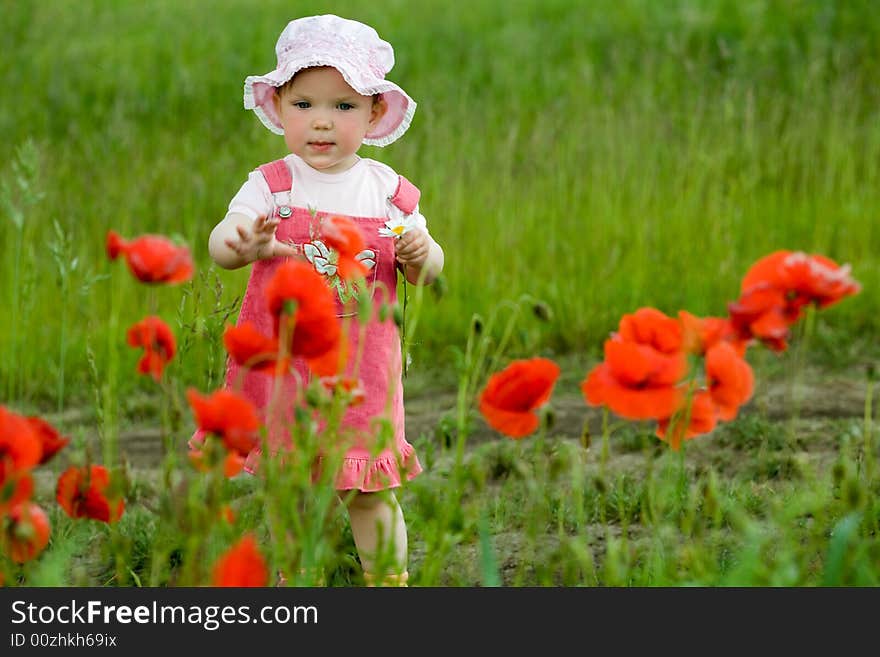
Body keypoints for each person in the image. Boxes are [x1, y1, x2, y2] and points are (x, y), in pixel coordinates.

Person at [193, 14, 444, 586]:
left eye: (344, 107)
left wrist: (420, 253)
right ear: (278, 106)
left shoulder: (386, 191)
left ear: (375, 113)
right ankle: (295, 583)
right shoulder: (271, 185)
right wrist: (241, 242)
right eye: (304, 105)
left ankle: (388, 581)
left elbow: (431, 270)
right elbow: (222, 244)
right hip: (287, 367)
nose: (322, 122)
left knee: (366, 490)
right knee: (293, 488)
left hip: (363, 369)